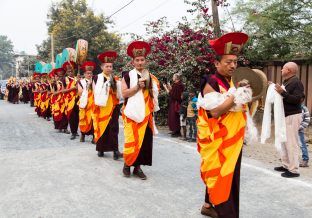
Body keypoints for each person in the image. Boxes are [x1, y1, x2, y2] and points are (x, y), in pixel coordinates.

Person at [197, 32, 250, 218]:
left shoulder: (232, 81)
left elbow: (240, 108)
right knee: (223, 175)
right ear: (217, 64)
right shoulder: (211, 82)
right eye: (228, 62)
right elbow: (216, 111)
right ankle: (227, 213)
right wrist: (236, 94)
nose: (233, 65)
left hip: (233, 139)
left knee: (226, 174)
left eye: (235, 62)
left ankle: (207, 205)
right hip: (218, 140)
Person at [121, 40, 160, 180]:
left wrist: (151, 88)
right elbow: (124, 94)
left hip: (146, 114)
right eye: (137, 60)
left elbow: (153, 95)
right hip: (131, 114)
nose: (140, 62)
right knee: (131, 140)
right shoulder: (126, 76)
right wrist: (137, 87)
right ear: (133, 62)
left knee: (143, 143)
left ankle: (137, 168)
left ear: (145, 61)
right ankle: (127, 165)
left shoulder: (150, 77)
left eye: (142, 60)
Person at [274, 62, 305, 178]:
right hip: (285, 115)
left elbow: (298, 99)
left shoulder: (296, 82)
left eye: (283, 69)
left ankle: (294, 170)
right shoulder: (287, 81)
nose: (281, 70)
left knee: (292, 143)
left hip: (292, 115)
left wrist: (283, 93)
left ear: (289, 70)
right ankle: (286, 165)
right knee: (284, 140)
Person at [92, 51, 123, 160]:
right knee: (102, 128)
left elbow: (118, 93)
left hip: (113, 107)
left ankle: (115, 150)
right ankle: (101, 149)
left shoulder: (114, 79)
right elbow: (96, 92)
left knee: (114, 128)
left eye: (110, 66)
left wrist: (117, 85)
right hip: (102, 107)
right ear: (102, 67)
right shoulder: (97, 78)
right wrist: (107, 87)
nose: (109, 68)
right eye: (107, 66)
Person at [78, 61, 96, 143]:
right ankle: (82, 135)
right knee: (83, 119)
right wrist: (88, 89)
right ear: (84, 74)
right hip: (84, 103)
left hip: (93, 104)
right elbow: (80, 93)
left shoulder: (95, 81)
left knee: (93, 120)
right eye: (88, 73)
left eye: (91, 73)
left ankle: (94, 137)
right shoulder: (80, 82)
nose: (89, 75)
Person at [62, 61, 80, 140]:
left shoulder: (77, 78)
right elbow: (63, 91)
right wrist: (73, 88)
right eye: (68, 71)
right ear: (66, 72)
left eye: (72, 71)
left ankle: (77, 131)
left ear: (74, 71)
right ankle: (73, 133)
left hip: (78, 99)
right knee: (72, 117)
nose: (70, 72)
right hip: (69, 101)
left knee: (78, 117)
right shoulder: (64, 80)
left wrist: (79, 82)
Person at [298, 96, 310, 167]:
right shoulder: (293, 107)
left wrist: (300, 127)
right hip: (291, 129)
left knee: (302, 145)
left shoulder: (304, 108)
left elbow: (307, 120)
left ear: (302, 99)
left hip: (299, 130)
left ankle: (305, 160)